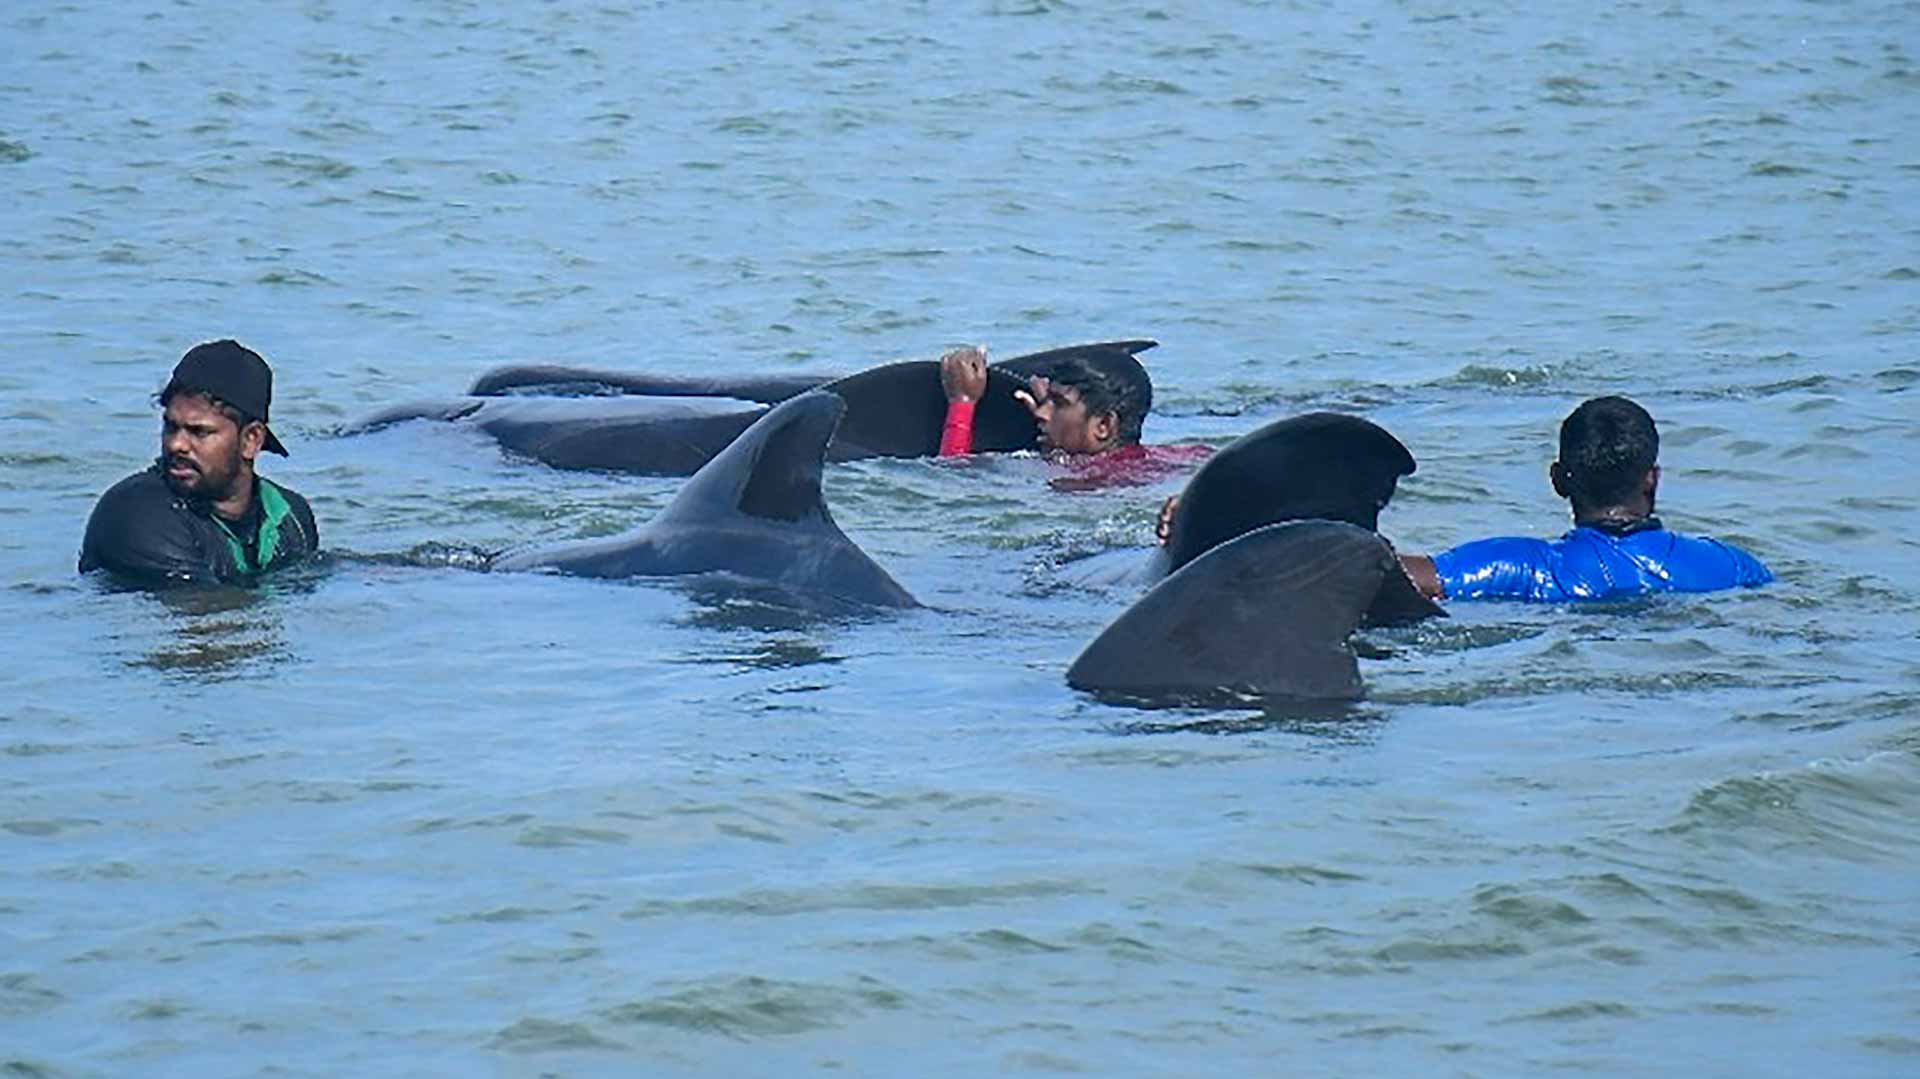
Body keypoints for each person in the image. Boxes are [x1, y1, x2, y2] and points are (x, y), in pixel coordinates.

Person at [1397, 395, 1771, 602]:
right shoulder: (1736, 567)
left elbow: (1387, 571)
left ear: (1558, 481)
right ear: (1652, 479)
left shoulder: (1524, 566)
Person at [79, 340, 319, 586]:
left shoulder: (290, 515)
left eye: (199, 432)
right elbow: (205, 614)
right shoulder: (135, 512)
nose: (176, 445)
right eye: (171, 427)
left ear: (251, 439)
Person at [936, 344, 1209, 489]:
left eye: (1058, 404)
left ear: (1104, 425)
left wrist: (962, 402)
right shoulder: (1179, 457)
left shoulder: (1078, 478)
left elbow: (953, 479)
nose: (1041, 412)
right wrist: (1058, 422)